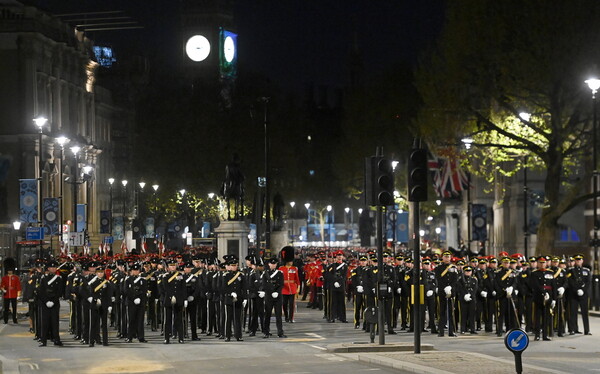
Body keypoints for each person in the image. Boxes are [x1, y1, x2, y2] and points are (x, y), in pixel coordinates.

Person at [37, 260, 63, 347]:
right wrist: (46, 301)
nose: (53, 269)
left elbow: (59, 292)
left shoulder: (59, 278)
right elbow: (41, 291)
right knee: (45, 322)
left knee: (55, 322)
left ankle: (56, 339)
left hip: (54, 303)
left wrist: (53, 301)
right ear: (48, 268)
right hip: (45, 303)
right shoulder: (44, 278)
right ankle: (43, 340)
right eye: (51, 267)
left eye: (54, 267)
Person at [222, 255, 246, 341]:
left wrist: (245, 298)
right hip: (229, 299)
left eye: (235, 265)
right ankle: (227, 335)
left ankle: (238, 335)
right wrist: (230, 293)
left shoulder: (241, 275)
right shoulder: (225, 275)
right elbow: (223, 287)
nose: (234, 267)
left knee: (238, 319)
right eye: (232, 265)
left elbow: (244, 287)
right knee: (228, 318)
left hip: (238, 299)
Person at [567, 254, 592, 335]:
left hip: (584, 294)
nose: (578, 261)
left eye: (579, 260)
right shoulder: (570, 271)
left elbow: (588, 282)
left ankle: (587, 330)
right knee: (573, 312)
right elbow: (570, 282)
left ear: (582, 261)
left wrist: (583, 290)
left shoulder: (586, 270)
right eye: (576, 260)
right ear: (574, 261)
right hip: (574, 294)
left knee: (585, 312)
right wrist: (577, 289)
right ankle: (573, 329)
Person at [435, 250, 458, 337]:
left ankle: (451, 331)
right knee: (442, 311)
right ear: (442, 258)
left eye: (448, 257)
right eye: (445, 257)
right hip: (442, 292)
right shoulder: (438, 268)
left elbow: (455, 280)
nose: (447, 258)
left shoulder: (454, 268)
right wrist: (444, 287)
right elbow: (438, 279)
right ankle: (441, 331)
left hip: (451, 292)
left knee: (451, 312)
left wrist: (450, 287)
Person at [162, 259, 186, 344]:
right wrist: (172, 296)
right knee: (167, 320)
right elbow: (165, 287)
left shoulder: (180, 275)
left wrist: (184, 299)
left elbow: (183, 288)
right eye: (171, 266)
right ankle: (166, 338)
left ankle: (181, 337)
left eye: (174, 265)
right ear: (168, 267)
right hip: (169, 299)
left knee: (179, 319)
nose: (172, 267)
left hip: (178, 299)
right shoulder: (165, 276)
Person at [261, 257, 286, 338]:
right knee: (267, 314)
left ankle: (280, 332)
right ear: (269, 264)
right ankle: (266, 332)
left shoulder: (280, 273)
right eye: (272, 264)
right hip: (269, 296)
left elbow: (281, 284)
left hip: (277, 296)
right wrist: (271, 292)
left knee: (278, 315)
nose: (273, 265)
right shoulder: (265, 274)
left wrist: (277, 292)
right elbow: (264, 285)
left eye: (274, 264)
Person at [125, 263, 148, 343]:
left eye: (137, 270)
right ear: (131, 271)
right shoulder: (128, 280)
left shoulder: (143, 280)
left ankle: (141, 337)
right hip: (131, 302)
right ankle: (129, 336)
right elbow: (126, 291)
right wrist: (134, 298)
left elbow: (144, 290)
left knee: (140, 320)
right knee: (131, 320)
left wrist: (140, 298)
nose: (135, 272)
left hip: (140, 303)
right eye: (134, 270)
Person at [279, 246, 300, 323]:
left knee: (292, 304)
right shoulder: (281, 268)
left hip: (292, 288)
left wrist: (298, 287)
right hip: (284, 288)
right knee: (284, 304)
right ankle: (286, 316)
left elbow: (297, 279)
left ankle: (291, 318)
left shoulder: (294, 268)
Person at [1, 258, 21, 324]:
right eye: (9, 270)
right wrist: (3, 290)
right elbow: (2, 285)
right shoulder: (4, 278)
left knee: (14, 308)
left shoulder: (16, 278)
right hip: (6, 295)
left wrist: (18, 295)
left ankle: (14, 320)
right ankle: (5, 320)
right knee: (6, 308)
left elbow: (18, 287)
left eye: (11, 270)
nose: (10, 271)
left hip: (14, 294)